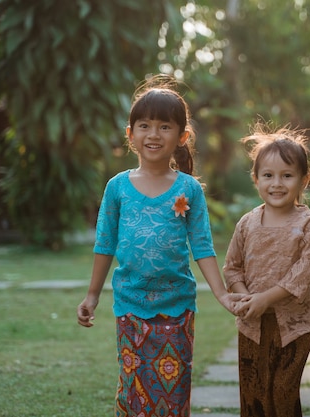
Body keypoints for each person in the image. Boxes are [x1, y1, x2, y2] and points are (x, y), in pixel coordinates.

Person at [76, 75, 240, 417]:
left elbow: (202, 246)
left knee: (172, 392)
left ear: (182, 135)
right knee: (133, 389)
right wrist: (92, 295)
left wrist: (222, 294)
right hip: (130, 305)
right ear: (130, 133)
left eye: (164, 126)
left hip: (177, 308)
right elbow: (105, 243)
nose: (153, 134)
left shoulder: (188, 189)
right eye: (145, 125)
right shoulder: (118, 187)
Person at [223, 122, 310, 417]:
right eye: (268, 175)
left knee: (282, 393)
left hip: (294, 325)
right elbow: (232, 267)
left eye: (287, 175)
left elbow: (309, 268)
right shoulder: (247, 223)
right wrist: (246, 298)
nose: (277, 184)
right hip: (252, 326)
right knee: (253, 394)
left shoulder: (306, 222)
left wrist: (265, 298)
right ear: (255, 179)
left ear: (304, 180)